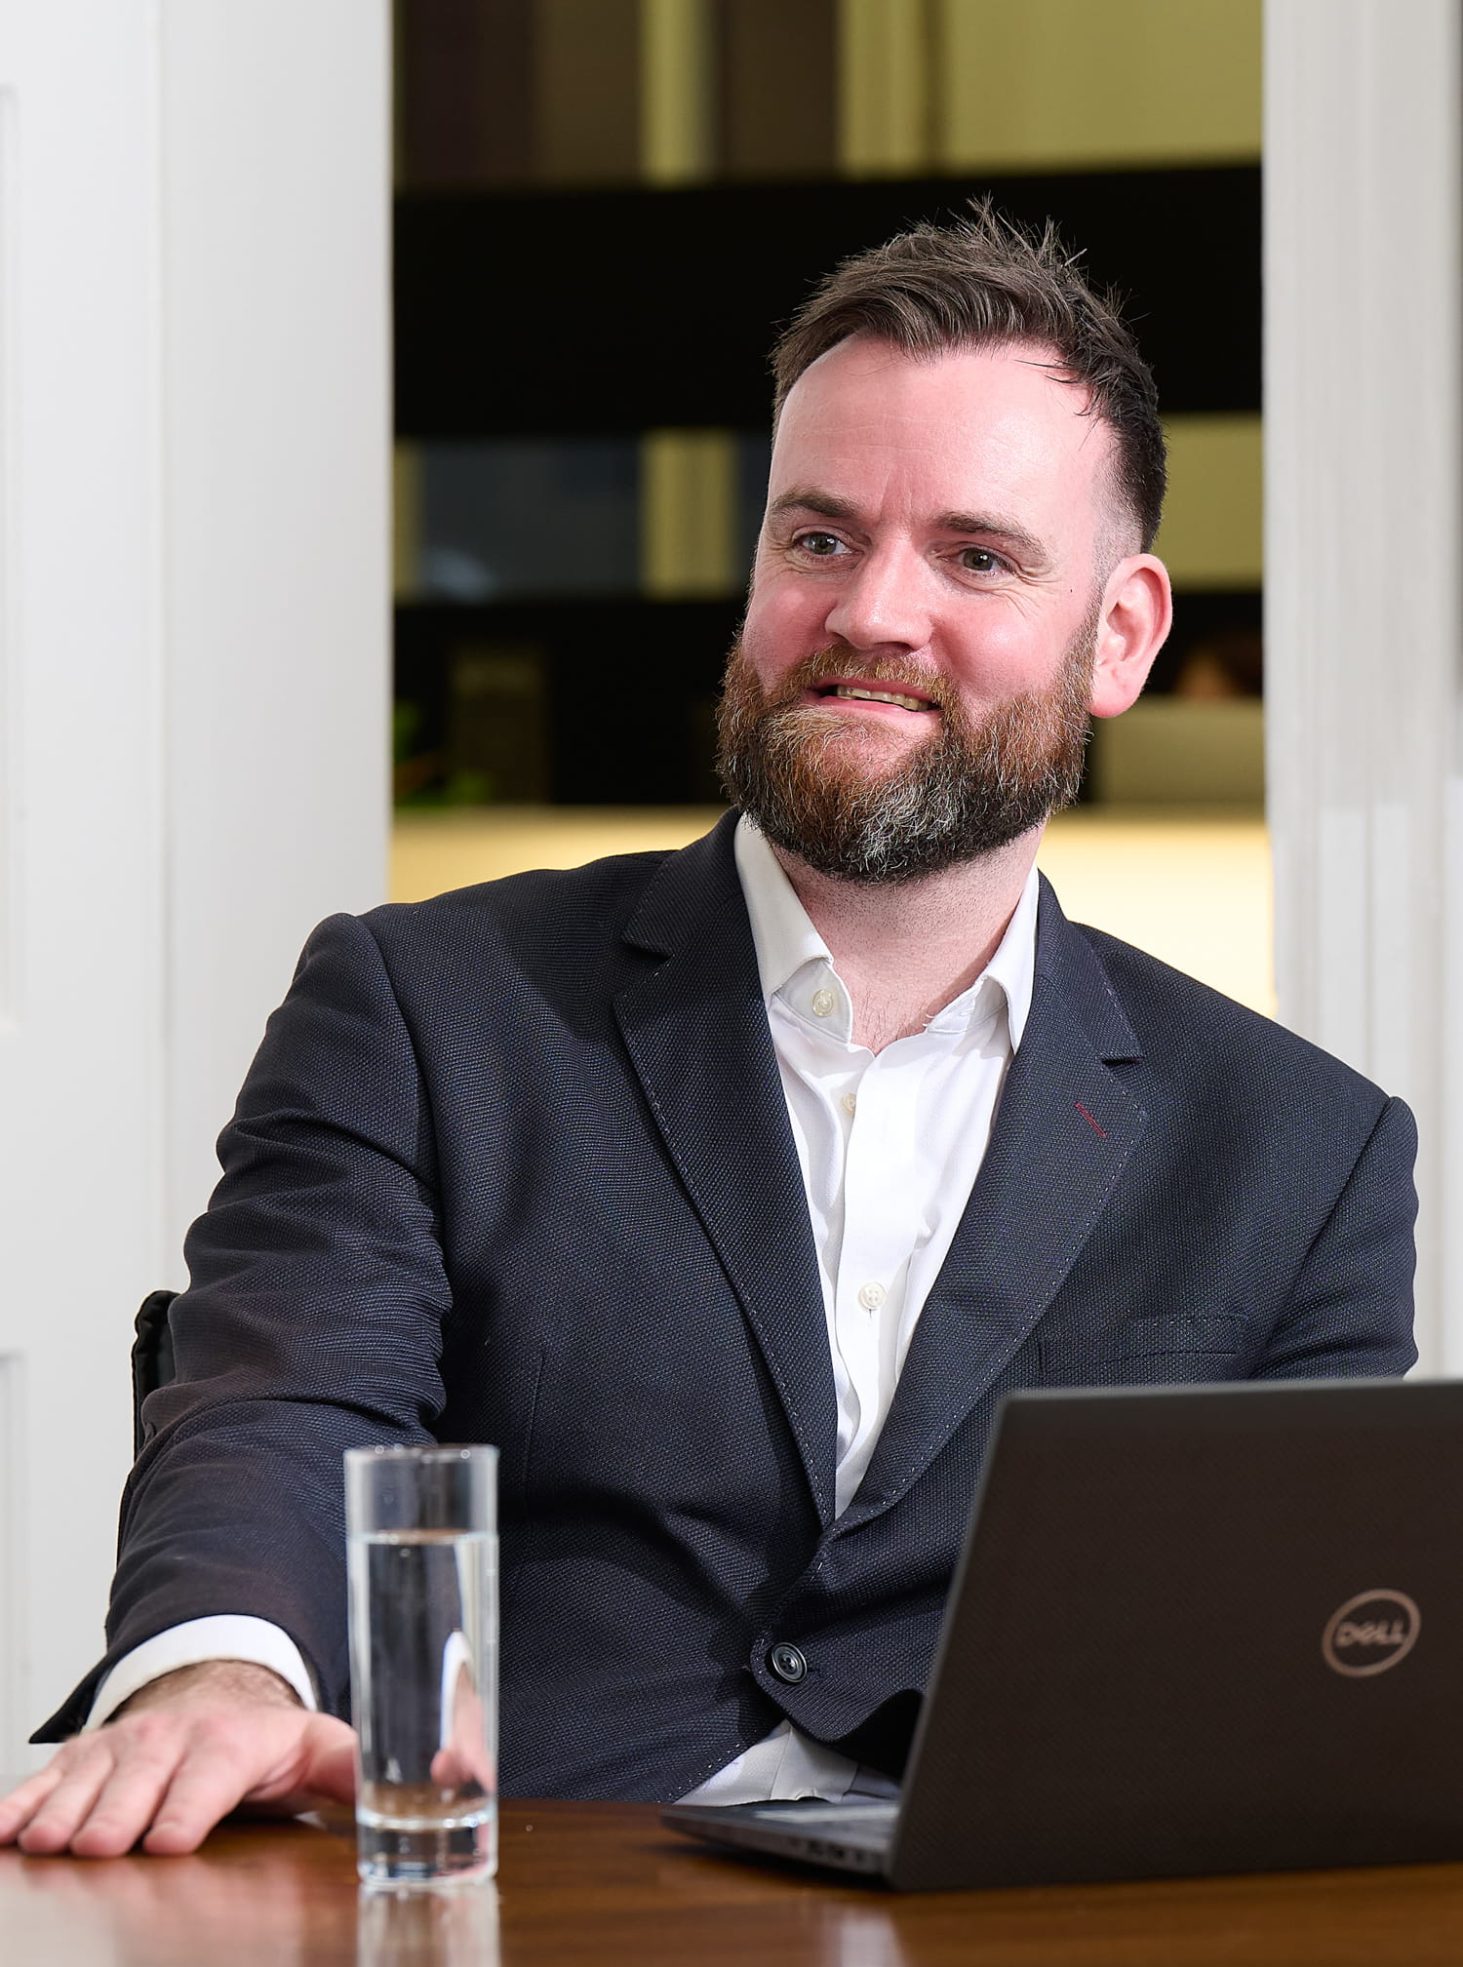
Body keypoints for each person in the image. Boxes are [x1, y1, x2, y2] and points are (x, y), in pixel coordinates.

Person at [0, 203, 1416, 1859]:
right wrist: (216, 1679)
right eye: (817, 538)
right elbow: (286, 1407)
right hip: (516, 1922)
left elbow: (1302, 1678)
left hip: (1022, 1957)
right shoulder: (422, 1006)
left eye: (976, 555)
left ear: (1121, 636)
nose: (872, 612)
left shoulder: (1306, 1155)